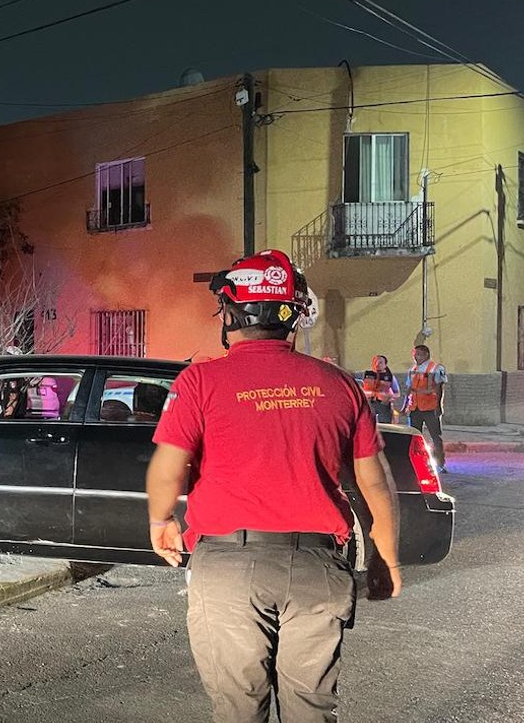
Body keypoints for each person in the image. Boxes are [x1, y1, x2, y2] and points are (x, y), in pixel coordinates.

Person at [145, 249, 402, 723]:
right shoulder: (339, 385)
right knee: (311, 709)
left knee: (239, 708)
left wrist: (161, 519)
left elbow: (168, 467)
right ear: (293, 316)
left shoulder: (200, 381)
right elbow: (374, 483)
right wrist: (386, 557)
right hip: (317, 568)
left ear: (231, 312)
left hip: (228, 568)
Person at [405, 344, 447, 472]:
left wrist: (438, 406)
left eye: (418, 354)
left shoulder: (436, 368)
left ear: (426, 354)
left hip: (430, 408)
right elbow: (409, 389)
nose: (415, 357)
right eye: (414, 354)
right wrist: (405, 406)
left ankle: (439, 464)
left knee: (436, 437)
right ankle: (416, 463)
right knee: (414, 437)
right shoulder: (413, 369)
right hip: (415, 408)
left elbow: (439, 388)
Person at [362, 354, 400, 424]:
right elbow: (359, 390)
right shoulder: (366, 375)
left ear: (385, 365)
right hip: (368, 404)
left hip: (383, 405)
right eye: (375, 361)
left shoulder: (390, 377)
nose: (377, 364)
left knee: (385, 427)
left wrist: (389, 397)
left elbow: (397, 393)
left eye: (380, 362)